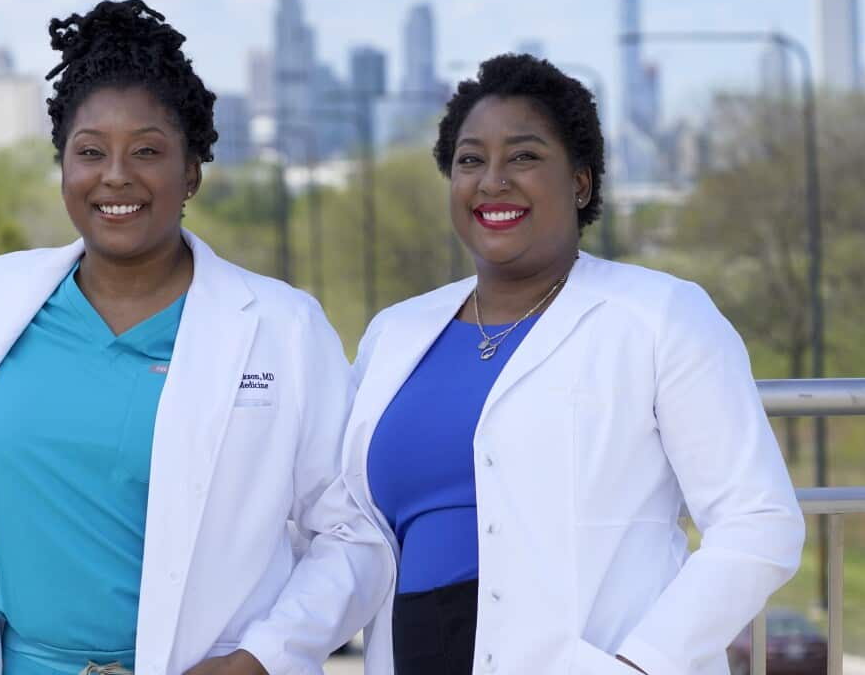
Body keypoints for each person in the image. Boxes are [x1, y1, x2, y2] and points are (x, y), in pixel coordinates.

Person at [0, 0, 392, 675]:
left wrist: (258, 659)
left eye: (147, 151)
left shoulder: (282, 327)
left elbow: (355, 537)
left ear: (192, 174)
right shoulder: (0, 296)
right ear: (63, 168)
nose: (115, 175)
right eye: (90, 152)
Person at [343, 54, 805, 675]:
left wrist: (640, 664)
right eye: (470, 160)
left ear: (581, 182)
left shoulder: (660, 316)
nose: (492, 180)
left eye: (525, 157)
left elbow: (759, 523)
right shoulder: (394, 334)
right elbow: (348, 530)